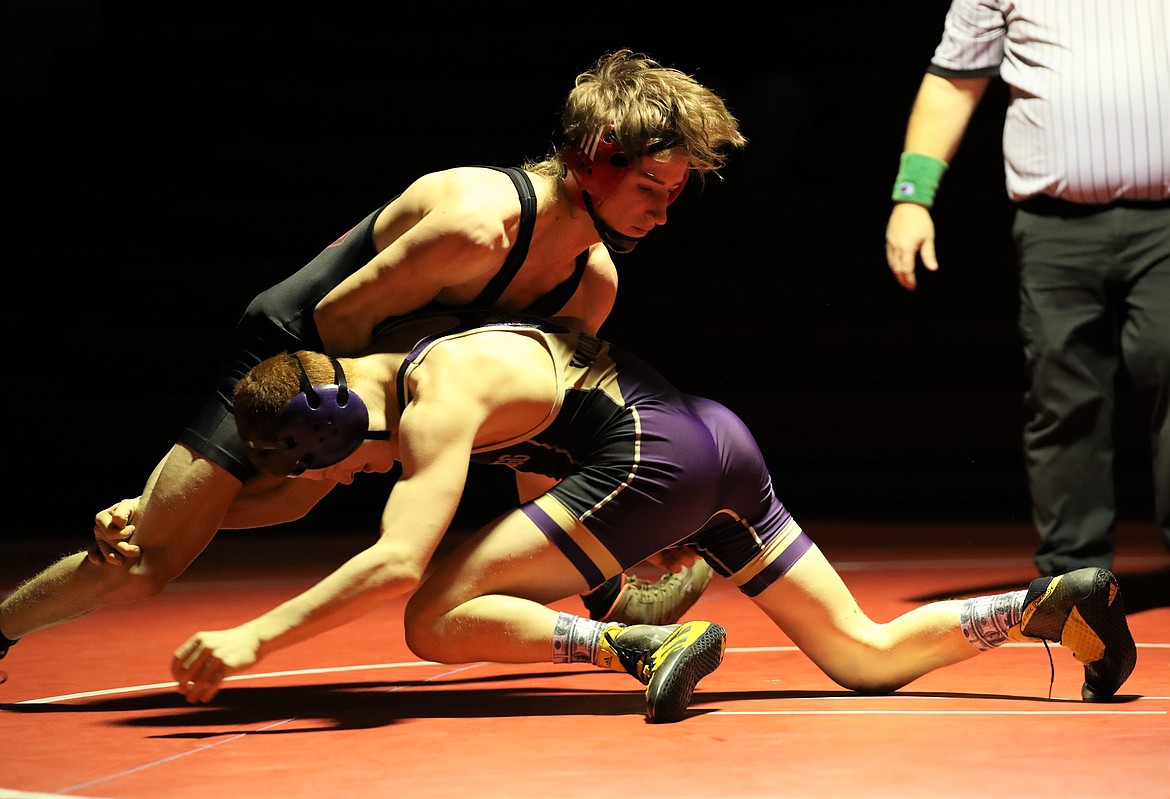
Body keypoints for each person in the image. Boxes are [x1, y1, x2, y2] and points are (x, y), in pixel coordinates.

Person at [0, 49, 748, 671]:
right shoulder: (476, 224)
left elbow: (540, 443)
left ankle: (170, 508)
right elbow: (337, 320)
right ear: (595, 153)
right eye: (650, 186)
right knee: (145, 560)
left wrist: (588, 560)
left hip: (404, 379)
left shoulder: (591, 281)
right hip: (305, 354)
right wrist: (369, 429)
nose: (660, 211)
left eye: (675, 194)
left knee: (291, 496)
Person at [58, 311, 1145, 721]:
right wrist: (158, 523)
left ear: (343, 425)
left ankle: (644, 640)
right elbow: (292, 490)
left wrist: (253, 636)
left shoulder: (441, 402)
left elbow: (394, 558)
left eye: (336, 465)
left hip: (653, 460)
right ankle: (1051, 607)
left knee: (431, 614)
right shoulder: (406, 384)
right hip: (717, 441)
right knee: (859, 656)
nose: (336, 481)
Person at [884, 1, 1170, 576]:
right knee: (1062, 395)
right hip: (1053, 224)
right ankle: (1073, 577)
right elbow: (953, 81)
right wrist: (912, 195)